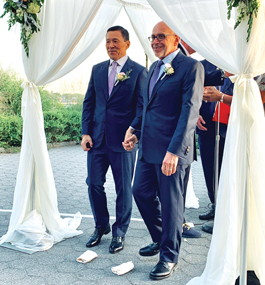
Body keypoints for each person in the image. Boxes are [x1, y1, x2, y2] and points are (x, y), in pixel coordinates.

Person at [123, 21, 204, 280]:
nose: (155, 41)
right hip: (148, 147)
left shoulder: (191, 67)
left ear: (176, 38)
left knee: (171, 205)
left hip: (172, 151)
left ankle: (169, 256)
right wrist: (134, 130)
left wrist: (175, 151)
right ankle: (161, 238)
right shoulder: (155, 67)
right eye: (152, 37)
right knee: (140, 193)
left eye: (161, 36)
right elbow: (147, 108)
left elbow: (189, 112)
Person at [81, 26, 147, 254]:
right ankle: (101, 226)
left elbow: (142, 107)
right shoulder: (97, 69)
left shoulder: (138, 71)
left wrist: (134, 132)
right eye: (108, 41)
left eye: (116, 41)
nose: (111, 45)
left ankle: (120, 232)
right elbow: (89, 102)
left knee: (123, 189)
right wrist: (85, 132)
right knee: (94, 184)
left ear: (127, 44)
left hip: (123, 142)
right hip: (97, 140)